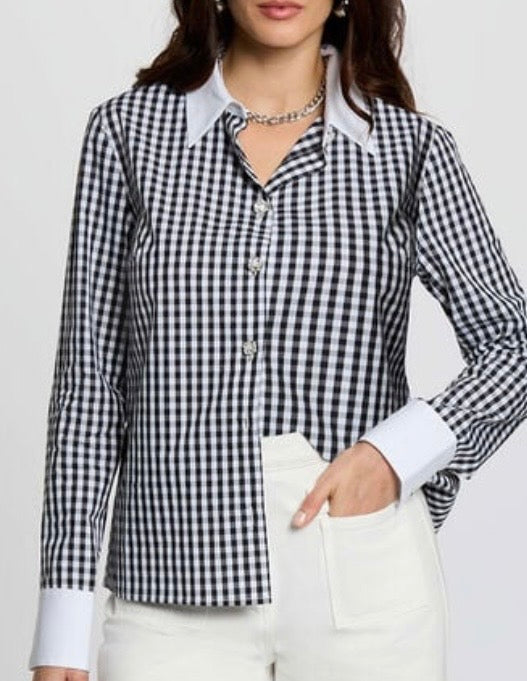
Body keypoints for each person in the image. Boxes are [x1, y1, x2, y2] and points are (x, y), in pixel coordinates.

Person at [29, 0, 527, 679]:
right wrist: (62, 622)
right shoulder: (127, 133)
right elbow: (89, 385)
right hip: (169, 582)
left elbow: (513, 343)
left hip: (359, 578)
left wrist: (395, 454)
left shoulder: (409, 152)